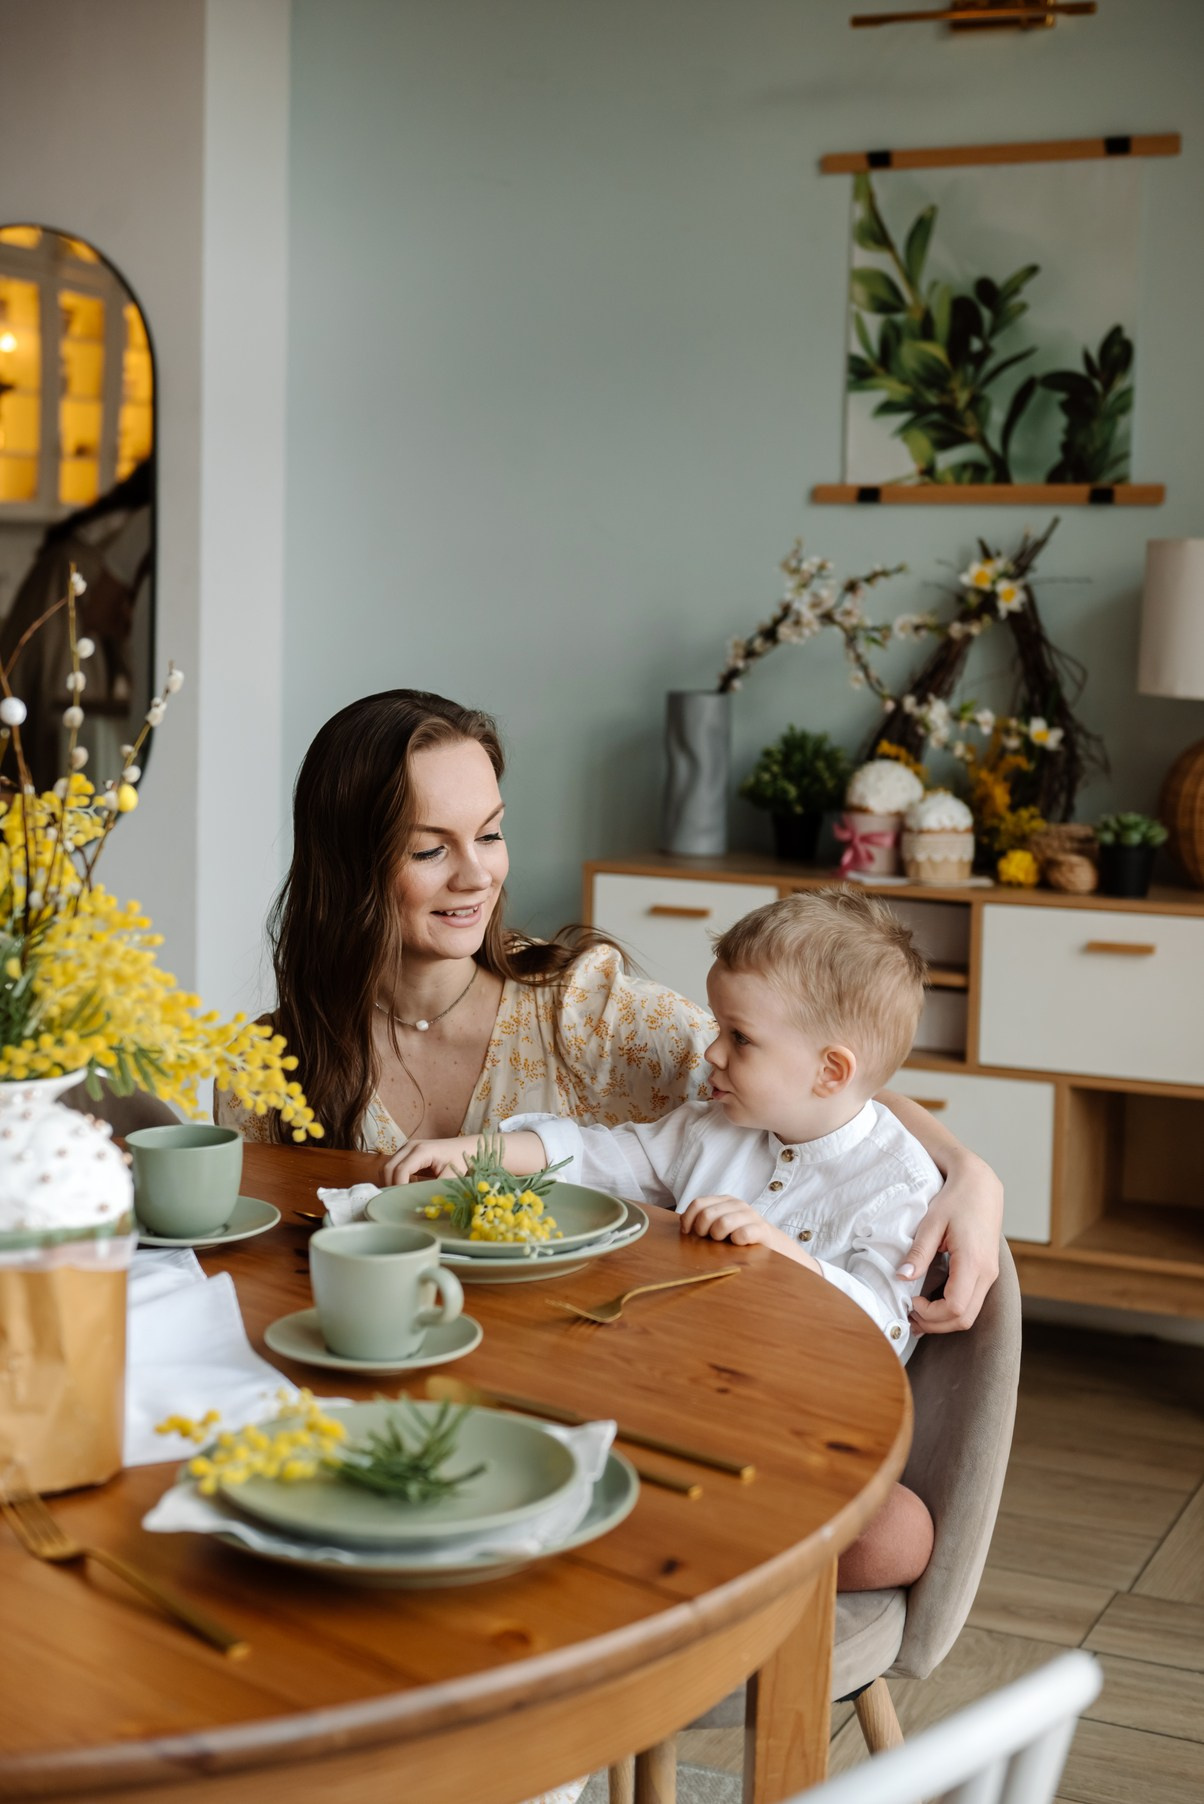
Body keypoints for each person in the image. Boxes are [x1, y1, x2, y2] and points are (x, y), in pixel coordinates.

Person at [215, 688, 1002, 1335]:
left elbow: (811, 1086)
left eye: (490, 834)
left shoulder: (586, 1016)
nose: (477, 874)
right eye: (431, 849)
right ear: (348, 867)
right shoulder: (268, 1065)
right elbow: (246, 1277)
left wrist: (971, 1172)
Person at [389, 886, 945, 1590]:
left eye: (739, 1039)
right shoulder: (712, 1129)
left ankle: (703, 1564)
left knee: (896, 1538)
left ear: (830, 1071)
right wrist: (480, 1154)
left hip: (805, 1432)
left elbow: (885, 1328)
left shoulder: (897, 1185)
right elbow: (599, 1156)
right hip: (684, 1396)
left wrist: (788, 1256)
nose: (710, 1053)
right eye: (718, 1027)